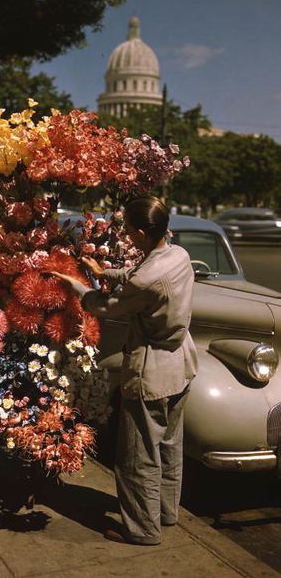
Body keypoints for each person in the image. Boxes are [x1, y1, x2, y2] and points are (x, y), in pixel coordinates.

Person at [51, 196, 198, 546]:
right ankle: (164, 512)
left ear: (145, 233)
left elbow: (108, 305)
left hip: (152, 369)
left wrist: (78, 287)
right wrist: (108, 273)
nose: (128, 237)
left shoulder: (147, 278)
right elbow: (143, 275)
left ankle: (142, 528)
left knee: (137, 454)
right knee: (168, 445)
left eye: (131, 232)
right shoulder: (179, 255)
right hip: (182, 362)